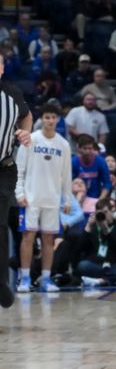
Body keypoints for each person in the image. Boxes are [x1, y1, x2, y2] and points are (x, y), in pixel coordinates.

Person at [14, 104, 72, 293]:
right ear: (42, 119)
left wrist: (68, 199)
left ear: (58, 120)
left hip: (52, 199)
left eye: (53, 117)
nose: (50, 121)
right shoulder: (31, 139)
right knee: (28, 236)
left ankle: (46, 279)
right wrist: (19, 193)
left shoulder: (63, 144)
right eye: (47, 117)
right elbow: (19, 168)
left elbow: (67, 175)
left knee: (48, 239)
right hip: (31, 197)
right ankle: (24, 279)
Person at [0, 53, 34, 307]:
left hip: (4, 168)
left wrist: (25, 131)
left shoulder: (12, 92)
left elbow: (27, 115)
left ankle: (1, 283)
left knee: (0, 226)